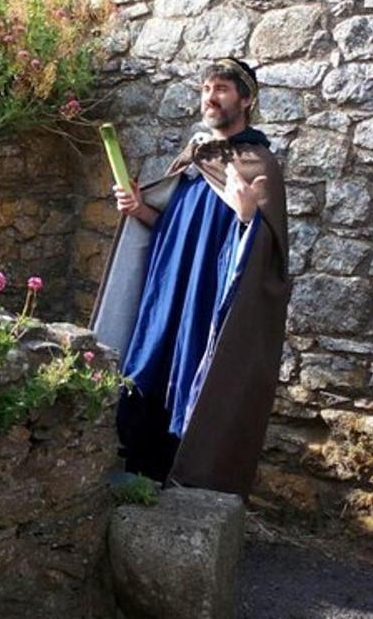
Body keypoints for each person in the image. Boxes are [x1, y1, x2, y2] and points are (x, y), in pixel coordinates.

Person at [91, 57, 291, 498]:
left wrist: (246, 216)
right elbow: (171, 225)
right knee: (150, 367)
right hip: (168, 290)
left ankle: (181, 488)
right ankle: (136, 479)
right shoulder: (197, 154)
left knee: (191, 381)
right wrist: (139, 209)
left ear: (246, 99)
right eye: (205, 89)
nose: (210, 98)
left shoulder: (260, 166)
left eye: (221, 89)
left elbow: (268, 254)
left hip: (207, 298)